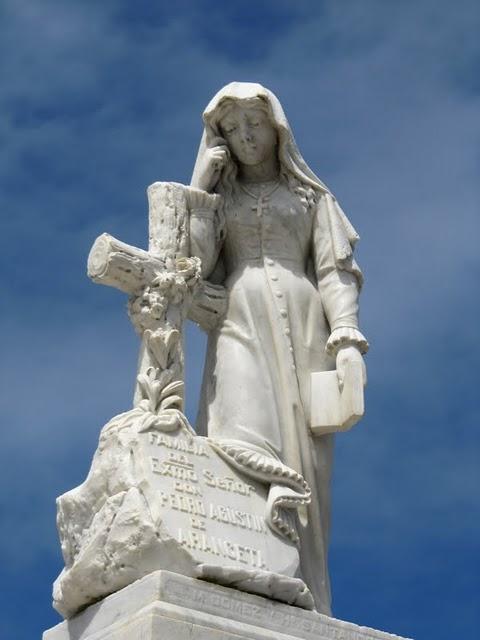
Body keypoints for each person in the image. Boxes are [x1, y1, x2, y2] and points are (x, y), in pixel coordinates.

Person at [188, 82, 368, 615]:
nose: (245, 136)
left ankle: (302, 579)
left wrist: (348, 342)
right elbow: (193, 264)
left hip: (307, 323)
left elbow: (336, 273)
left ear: (277, 129)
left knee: (306, 463)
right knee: (235, 429)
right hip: (238, 319)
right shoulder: (220, 198)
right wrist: (199, 190)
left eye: (255, 124)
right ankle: (242, 551)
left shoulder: (312, 198)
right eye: (233, 127)